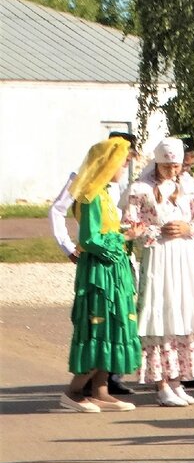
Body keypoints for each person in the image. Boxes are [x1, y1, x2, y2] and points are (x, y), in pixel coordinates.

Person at [49, 129, 138, 396]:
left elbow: (106, 230)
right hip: (100, 271)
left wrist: (125, 232)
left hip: (112, 269)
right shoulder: (90, 194)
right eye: (122, 161)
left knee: (112, 324)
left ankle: (101, 391)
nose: (125, 166)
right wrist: (121, 240)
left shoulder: (104, 193)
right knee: (100, 325)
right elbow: (89, 238)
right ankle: (74, 392)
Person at [124, 137, 194, 408]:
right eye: (168, 166)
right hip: (160, 256)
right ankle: (161, 382)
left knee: (183, 311)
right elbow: (130, 224)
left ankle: (178, 379)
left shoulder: (188, 186)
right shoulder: (141, 189)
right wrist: (156, 231)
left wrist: (189, 229)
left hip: (184, 255)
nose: (174, 171)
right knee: (162, 312)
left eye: (177, 166)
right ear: (159, 163)